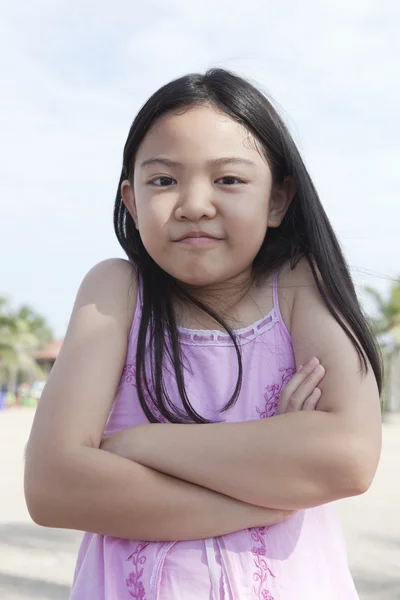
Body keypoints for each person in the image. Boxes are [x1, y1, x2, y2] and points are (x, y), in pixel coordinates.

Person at [24, 69, 382, 600]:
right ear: (131, 199)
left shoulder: (300, 287)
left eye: (229, 179)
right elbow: (53, 486)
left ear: (278, 200)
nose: (194, 203)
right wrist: (268, 494)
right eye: (163, 180)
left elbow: (347, 457)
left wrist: (138, 444)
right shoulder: (116, 292)